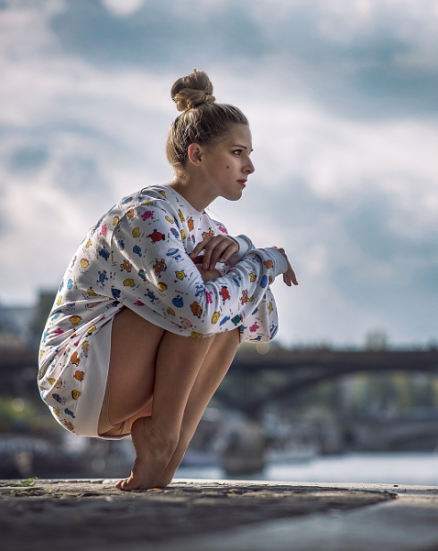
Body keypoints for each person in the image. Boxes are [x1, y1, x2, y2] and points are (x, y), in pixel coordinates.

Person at [37, 70, 298, 491]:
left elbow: (259, 323)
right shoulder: (146, 214)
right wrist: (267, 261)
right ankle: (162, 437)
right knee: (207, 292)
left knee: (221, 300)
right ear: (197, 155)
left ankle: (167, 451)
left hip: (119, 386)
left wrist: (246, 251)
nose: (250, 166)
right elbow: (199, 311)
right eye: (237, 152)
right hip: (77, 376)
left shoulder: (212, 229)